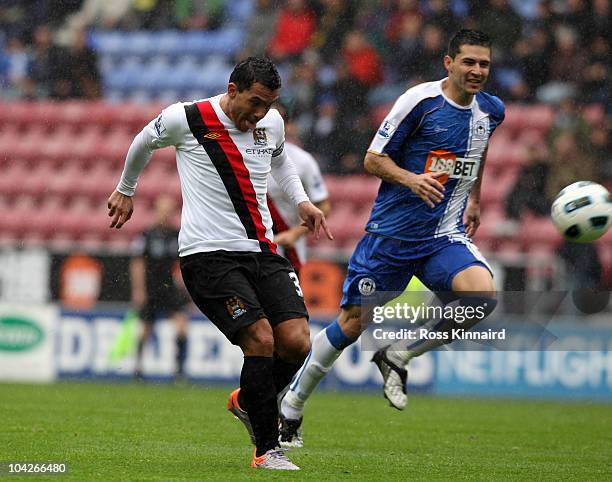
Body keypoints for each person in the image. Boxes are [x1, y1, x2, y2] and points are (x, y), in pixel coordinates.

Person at [279, 29, 505, 445]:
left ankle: (400, 352)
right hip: (392, 237)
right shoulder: (419, 102)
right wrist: (411, 179)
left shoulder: (491, 111)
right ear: (448, 63)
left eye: (484, 64)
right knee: (351, 323)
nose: (476, 71)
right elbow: (372, 159)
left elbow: (479, 149)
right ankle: (291, 406)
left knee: (481, 297)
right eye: (469, 62)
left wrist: (473, 196)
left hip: (442, 235)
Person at [107, 57, 332, 471]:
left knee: (298, 341)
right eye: (255, 103)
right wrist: (126, 190)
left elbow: (281, 162)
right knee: (261, 340)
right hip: (208, 256)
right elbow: (142, 141)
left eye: (269, 105)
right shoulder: (187, 118)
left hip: (262, 251)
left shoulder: (272, 123)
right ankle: (267, 450)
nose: (260, 114)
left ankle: (248, 401)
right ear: (232, 90)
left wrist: (301, 200)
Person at [130, 194, 190, 381]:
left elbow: (182, 265)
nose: (165, 215)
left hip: (170, 288)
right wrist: (139, 290)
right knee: (146, 329)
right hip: (151, 288)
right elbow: (137, 263)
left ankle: (179, 370)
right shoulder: (146, 236)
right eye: (162, 210)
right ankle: (138, 369)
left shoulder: (179, 235)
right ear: (156, 212)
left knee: (182, 327)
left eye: (169, 211)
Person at [267, 103, 331, 276]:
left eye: (275, 122)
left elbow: (323, 207)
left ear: (287, 126)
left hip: (287, 251)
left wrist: (295, 234)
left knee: (286, 303)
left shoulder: (303, 161)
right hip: (246, 250)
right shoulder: (238, 157)